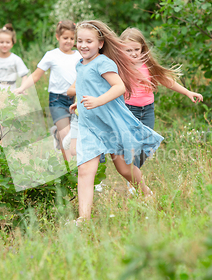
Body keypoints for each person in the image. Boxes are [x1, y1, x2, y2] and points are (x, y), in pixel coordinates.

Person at [70, 20, 164, 222]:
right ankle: (83, 218)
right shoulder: (80, 64)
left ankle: (146, 193)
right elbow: (90, 87)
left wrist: (98, 101)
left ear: (101, 43)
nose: (83, 45)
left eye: (89, 41)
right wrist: (80, 102)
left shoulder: (103, 63)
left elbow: (118, 87)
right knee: (85, 170)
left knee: (123, 168)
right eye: (80, 41)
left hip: (109, 124)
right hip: (89, 126)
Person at [120, 27, 203, 169]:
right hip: (128, 110)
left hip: (147, 110)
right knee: (130, 144)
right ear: (121, 50)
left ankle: (134, 172)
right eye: (129, 50)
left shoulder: (148, 65)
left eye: (136, 49)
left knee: (147, 143)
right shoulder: (120, 67)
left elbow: (166, 80)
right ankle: (131, 176)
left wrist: (187, 92)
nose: (133, 54)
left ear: (142, 48)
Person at [14, 20, 81, 161]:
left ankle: (56, 134)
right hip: (57, 100)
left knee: (72, 137)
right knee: (67, 136)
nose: (68, 41)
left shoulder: (79, 56)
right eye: (65, 38)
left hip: (75, 101)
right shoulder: (52, 55)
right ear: (57, 37)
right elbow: (36, 75)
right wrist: (21, 88)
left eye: (71, 38)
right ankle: (72, 170)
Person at [0, 24, 29, 92]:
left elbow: (24, 75)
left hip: (11, 91)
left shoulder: (16, 60)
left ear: (12, 44)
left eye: (7, 42)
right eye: (1, 42)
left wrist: (22, 88)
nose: (4, 45)